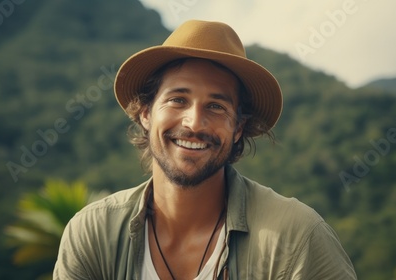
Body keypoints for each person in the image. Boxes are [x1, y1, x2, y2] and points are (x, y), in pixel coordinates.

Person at [53, 20, 357, 280]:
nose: (195, 123)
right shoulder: (93, 233)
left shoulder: (296, 237)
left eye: (216, 106)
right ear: (146, 113)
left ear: (238, 128)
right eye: (178, 100)